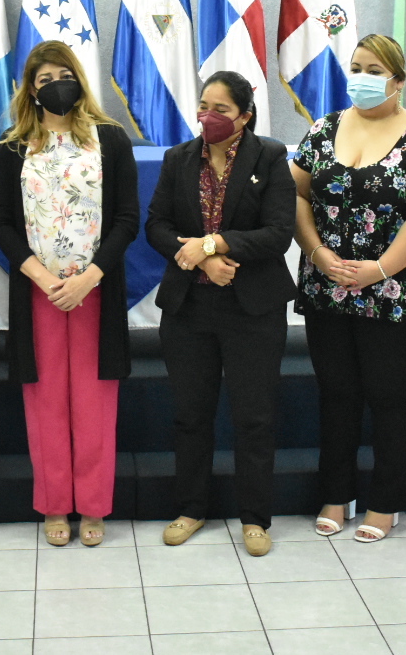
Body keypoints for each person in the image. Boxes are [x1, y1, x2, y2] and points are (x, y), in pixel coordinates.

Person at [292, 34, 406, 543]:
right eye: (356, 67)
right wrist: (316, 253)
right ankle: (336, 494)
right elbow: (295, 196)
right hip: (328, 284)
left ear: (398, 81)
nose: (361, 77)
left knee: (390, 395)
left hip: (395, 289)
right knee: (336, 393)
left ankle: (385, 502)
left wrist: (379, 270)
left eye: (374, 70)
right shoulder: (323, 130)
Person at [0, 41, 139, 547]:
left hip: (94, 289)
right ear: (31, 89)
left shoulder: (110, 139)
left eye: (65, 75)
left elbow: (127, 219)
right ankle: (54, 503)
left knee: (94, 403)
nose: (57, 85)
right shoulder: (13, 147)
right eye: (45, 78)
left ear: (79, 79)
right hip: (41, 294)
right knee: (46, 403)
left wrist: (88, 277)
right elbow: (0, 221)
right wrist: (41, 277)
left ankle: (93, 506)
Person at [145, 71, 295, 557]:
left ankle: (255, 518)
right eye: (204, 106)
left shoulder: (269, 156)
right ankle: (191, 509)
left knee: (254, 417)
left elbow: (278, 233)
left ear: (244, 116)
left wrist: (214, 244)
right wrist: (200, 259)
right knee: (191, 415)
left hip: (252, 308)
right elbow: (156, 226)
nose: (208, 116)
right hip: (189, 307)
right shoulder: (178, 158)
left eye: (221, 109)